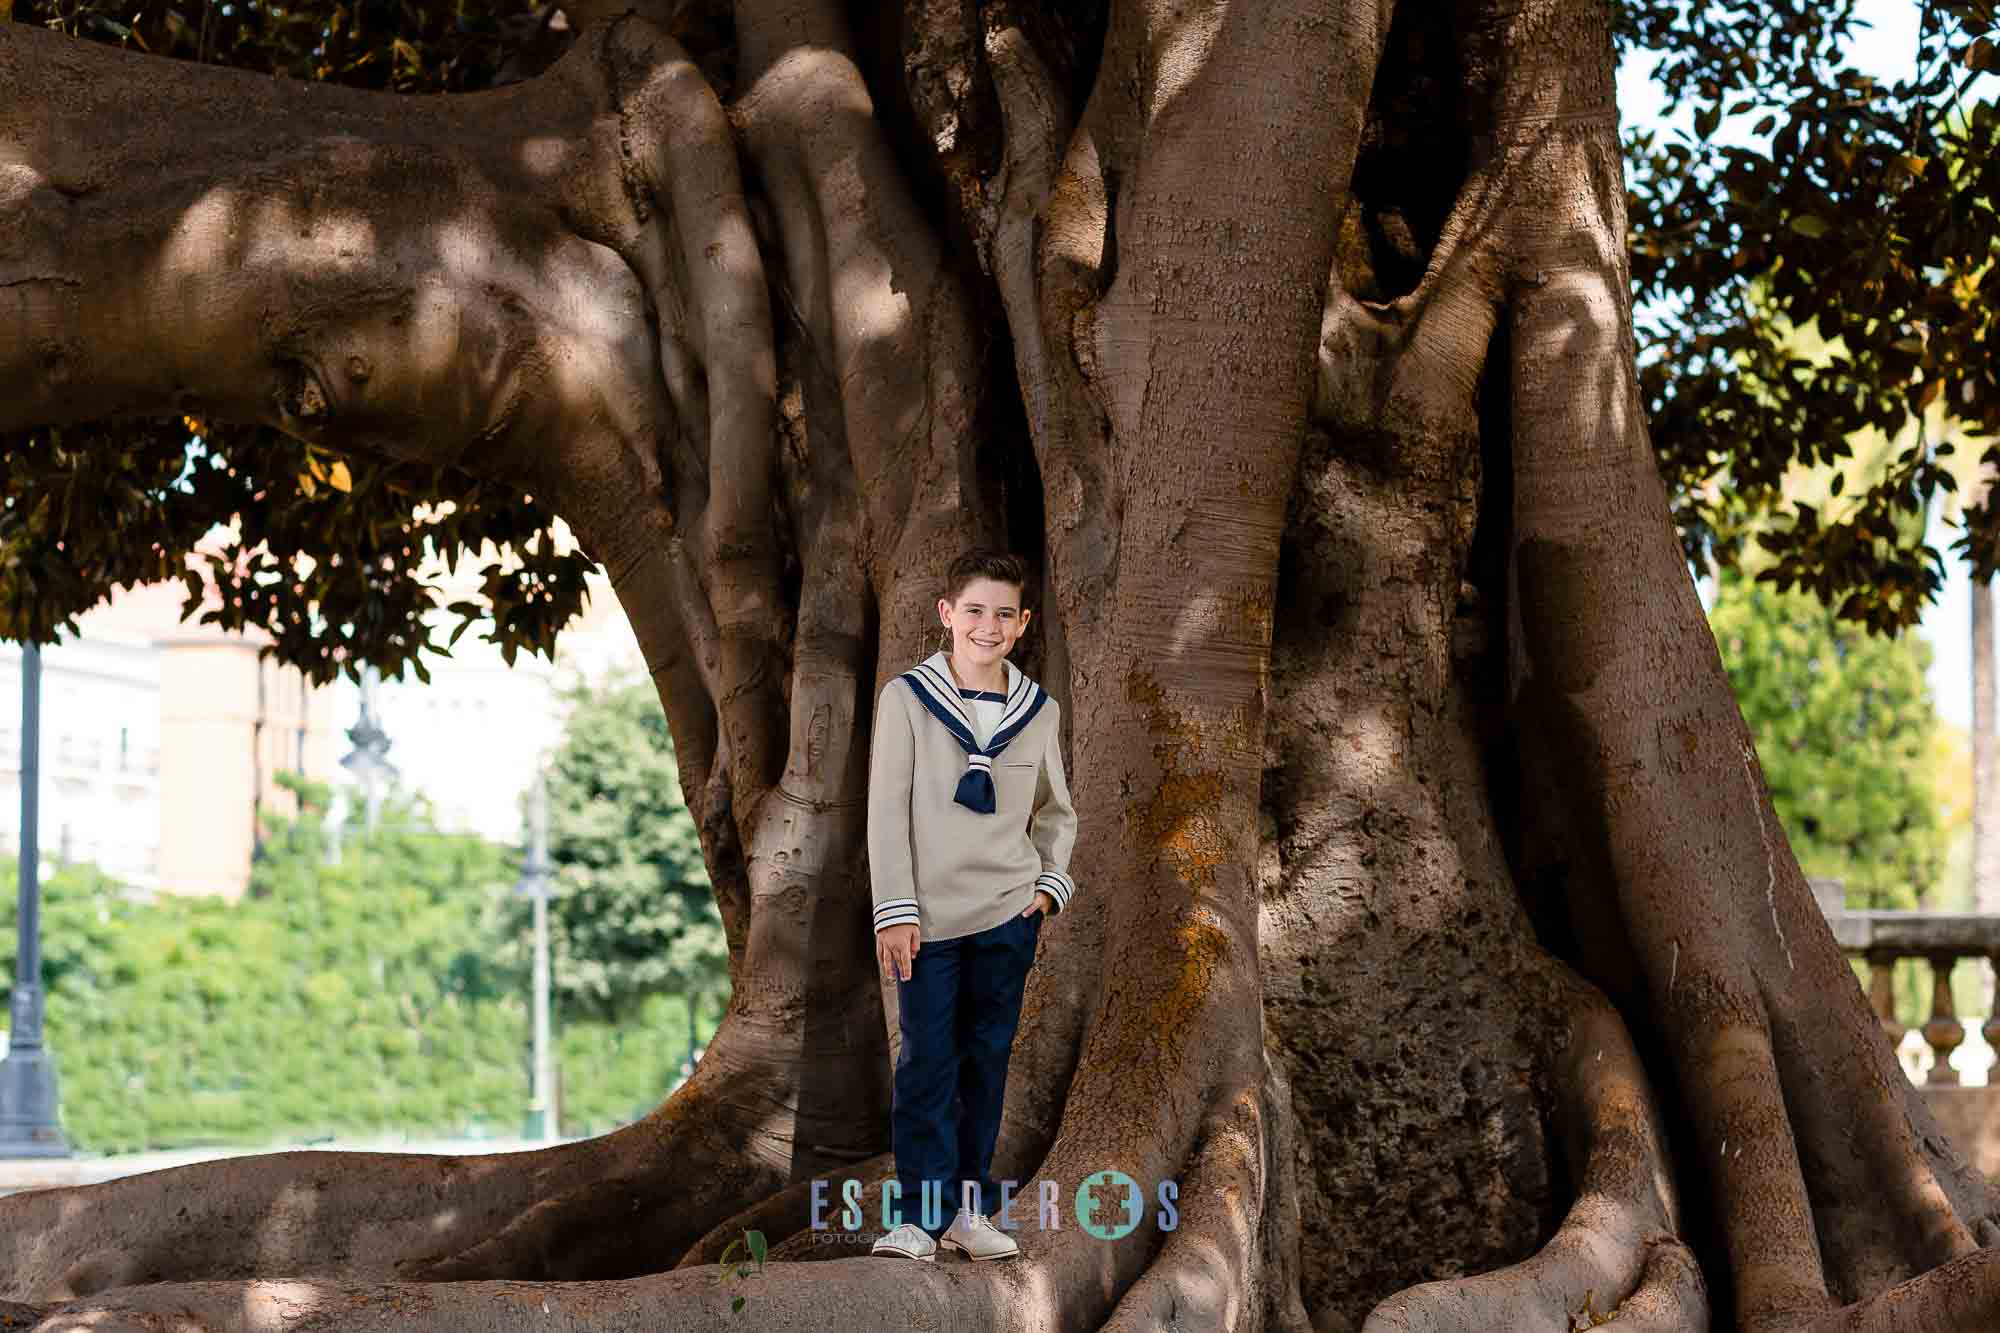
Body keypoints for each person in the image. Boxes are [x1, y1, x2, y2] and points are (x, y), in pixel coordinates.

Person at [866, 549, 1079, 1262]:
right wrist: (894, 907)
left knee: (986, 1063)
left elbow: (1055, 810)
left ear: (1022, 625)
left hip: (1005, 915)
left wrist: (1049, 885)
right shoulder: (906, 700)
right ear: (947, 615)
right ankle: (918, 1218)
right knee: (927, 1061)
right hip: (923, 919)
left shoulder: (1037, 711)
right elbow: (885, 810)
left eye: (1003, 614)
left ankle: (968, 1210)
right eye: (974, 610)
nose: (987, 626)